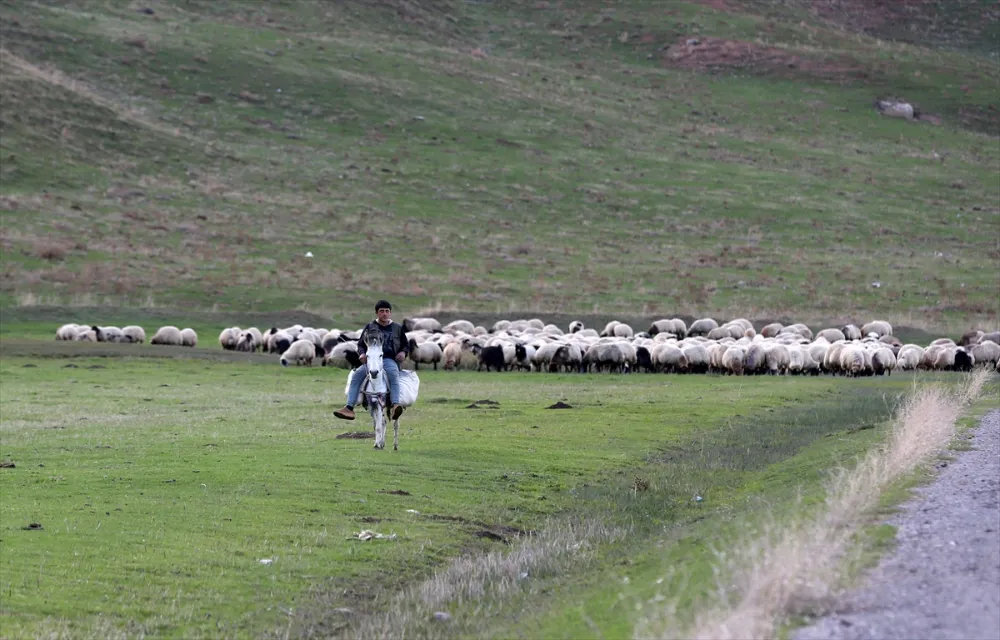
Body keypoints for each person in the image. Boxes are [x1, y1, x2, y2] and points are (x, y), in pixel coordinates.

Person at [334, 300, 409, 421]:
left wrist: (403, 352)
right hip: (372, 360)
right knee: (357, 375)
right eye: (381, 311)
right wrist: (362, 354)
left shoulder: (397, 328)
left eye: (387, 311)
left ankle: (395, 405)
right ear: (376, 313)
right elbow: (360, 344)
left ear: (390, 313)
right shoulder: (370, 327)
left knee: (393, 375)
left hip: (388, 359)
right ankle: (349, 408)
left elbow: (405, 345)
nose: (384, 313)